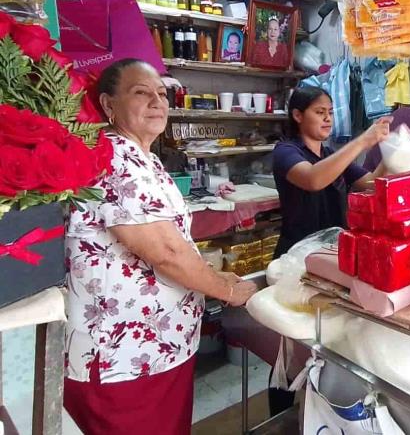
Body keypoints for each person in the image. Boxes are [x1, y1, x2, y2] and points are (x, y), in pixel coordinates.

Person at [64, 59, 257, 435]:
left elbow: (169, 241)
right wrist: (227, 290)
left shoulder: (142, 156)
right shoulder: (114, 156)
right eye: (141, 92)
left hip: (155, 346)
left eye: (162, 94)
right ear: (108, 105)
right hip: (121, 355)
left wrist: (213, 275)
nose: (156, 101)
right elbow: (164, 252)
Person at [273, 86, 391, 259]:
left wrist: (391, 153)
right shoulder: (285, 151)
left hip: (333, 251)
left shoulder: (330, 156)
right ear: (298, 115)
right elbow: (313, 179)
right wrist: (363, 140)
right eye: (320, 112)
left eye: (330, 112)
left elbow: (372, 184)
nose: (328, 118)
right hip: (297, 254)